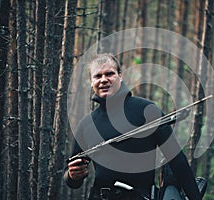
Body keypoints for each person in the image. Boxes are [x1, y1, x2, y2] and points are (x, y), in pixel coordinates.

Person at [63, 53, 202, 200]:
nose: (104, 80)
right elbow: (71, 179)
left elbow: (178, 162)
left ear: (120, 76)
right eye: (98, 76)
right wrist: (73, 176)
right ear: (91, 82)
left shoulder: (147, 110)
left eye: (109, 74)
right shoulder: (87, 125)